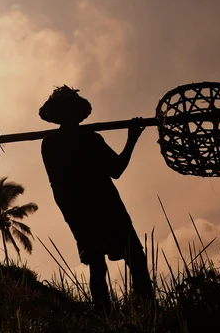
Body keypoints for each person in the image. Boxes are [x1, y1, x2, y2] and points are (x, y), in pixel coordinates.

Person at [39, 85, 154, 312]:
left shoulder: (62, 142)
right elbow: (116, 170)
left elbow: (115, 170)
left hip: (98, 209)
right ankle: (115, 313)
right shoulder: (67, 142)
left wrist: (132, 138)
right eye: (66, 109)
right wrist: (131, 139)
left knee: (120, 261)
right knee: (110, 262)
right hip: (89, 210)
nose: (70, 114)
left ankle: (141, 310)